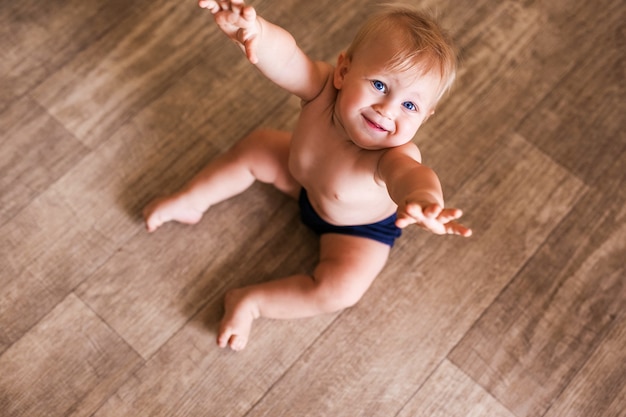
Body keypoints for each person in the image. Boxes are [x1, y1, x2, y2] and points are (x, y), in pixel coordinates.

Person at [143, 0, 472, 351]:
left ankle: (253, 302)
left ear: (425, 117)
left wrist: (425, 203)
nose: (388, 109)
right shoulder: (322, 91)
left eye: (410, 106)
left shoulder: (393, 155)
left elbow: (413, 176)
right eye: (379, 84)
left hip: (356, 229)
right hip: (300, 179)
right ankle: (193, 200)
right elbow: (287, 58)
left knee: (340, 290)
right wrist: (255, 32)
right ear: (343, 71)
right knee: (258, 146)